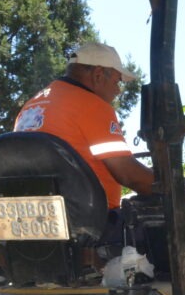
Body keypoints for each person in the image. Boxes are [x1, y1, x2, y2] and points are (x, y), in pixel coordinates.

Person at [14, 41, 154, 209]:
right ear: (98, 74)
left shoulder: (31, 106)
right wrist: (175, 188)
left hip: (36, 216)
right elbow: (129, 175)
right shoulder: (92, 105)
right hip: (90, 223)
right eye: (117, 81)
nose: (118, 90)